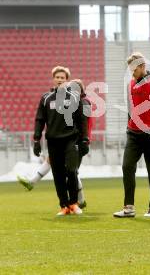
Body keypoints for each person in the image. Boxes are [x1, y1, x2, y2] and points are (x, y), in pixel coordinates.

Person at [17, 79, 92, 210]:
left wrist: (84, 140)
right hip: (70, 141)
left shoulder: (83, 103)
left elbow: (85, 124)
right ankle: (77, 201)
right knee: (65, 168)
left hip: (77, 142)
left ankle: (79, 200)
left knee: (72, 171)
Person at [113, 52, 150, 218]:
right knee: (127, 167)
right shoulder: (130, 84)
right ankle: (128, 208)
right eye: (130, 69)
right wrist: (129, 126)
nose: (132, 72)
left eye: (134, 69)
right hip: (134, 134)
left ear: (142, 66)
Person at [32, 66, 88, 216]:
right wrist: (36, 139)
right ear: (53, 79)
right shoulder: (46, 98)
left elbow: (82, 120)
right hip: (53, 142)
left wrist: (84, 140)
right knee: (57, 175)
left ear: (67, 80)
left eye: (62, 78)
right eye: (57, 77)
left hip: (71, 140)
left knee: (71, 171)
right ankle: (64, 205)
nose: (59, 80)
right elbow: (39, 120)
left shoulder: (74, 97)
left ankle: (74, 203)